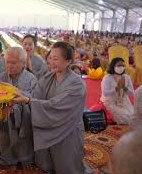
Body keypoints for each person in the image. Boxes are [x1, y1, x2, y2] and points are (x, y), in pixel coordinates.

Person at [12, 42, 86, 174]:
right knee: (47, 164)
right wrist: (17, 92)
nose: (51, 61)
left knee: (66, 167)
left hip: (67, 130)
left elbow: (56, 106)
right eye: (50, 57)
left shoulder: (77, 84)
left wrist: (29, 100)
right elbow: (35, 96)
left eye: (56, 59)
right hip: (49, 125)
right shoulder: (48, 77)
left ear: (68, 61)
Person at [0, 47, 37, 166]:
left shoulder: (31, 79)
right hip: (4, 118)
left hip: (24, 119)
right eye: (7, 62)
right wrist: (3, 104)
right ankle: (7, 157)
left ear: (23, 63)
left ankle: (25, 158)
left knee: (23, 141)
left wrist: (13, 105)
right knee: (5, 137)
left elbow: (34, 99)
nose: (9, 66)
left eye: (14, 62)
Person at [101, 57, 134, 124]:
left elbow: (132, 93)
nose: (121, 67)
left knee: (134, 116)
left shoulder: (126, 77)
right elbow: (105, 93)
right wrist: (116, 89)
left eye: (123, 65)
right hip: (111, 103)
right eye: (119, 65)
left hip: (124, 102)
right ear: (113, 66)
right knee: (126, 117)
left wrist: (125, 88)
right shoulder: (108, 77)